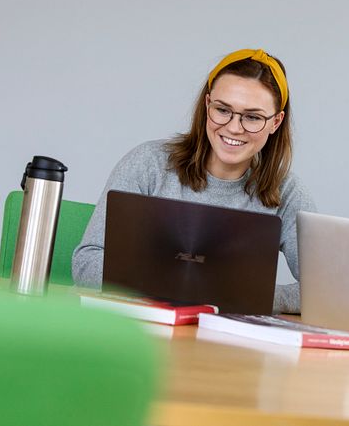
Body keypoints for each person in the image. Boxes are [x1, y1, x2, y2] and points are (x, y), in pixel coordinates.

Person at [72, 48, 316, 314]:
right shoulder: (148, 164)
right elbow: (87, 260)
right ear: (207, 105)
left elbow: (322, 291)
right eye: (223, 110)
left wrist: (255, 297)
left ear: (276, 122)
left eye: (253, 117)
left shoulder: (287, 192)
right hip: (142, 333)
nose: (234, 127)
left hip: (227, 345)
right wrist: (176, 290)